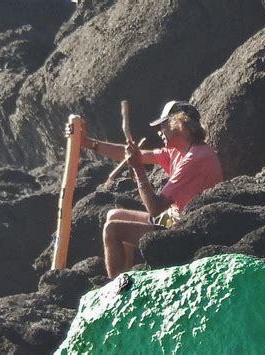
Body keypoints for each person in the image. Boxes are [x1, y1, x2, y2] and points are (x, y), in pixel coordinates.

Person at [81, 100, 224, 278]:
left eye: (163, 126)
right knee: (113, 215)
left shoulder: (196, 158)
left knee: (113, 229)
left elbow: (155, 208)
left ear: (178, 122)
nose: (159, 131)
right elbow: (130, 155)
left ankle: (118, 292)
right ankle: (125, 276)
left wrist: (138, 170)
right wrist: (89, 144)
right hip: (174, 218)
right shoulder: (178, 151)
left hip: (189, 229)